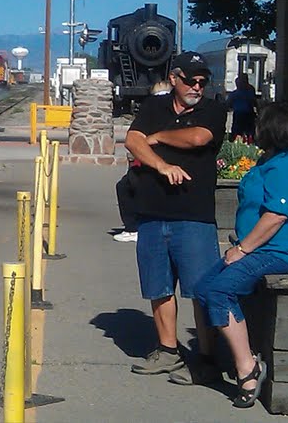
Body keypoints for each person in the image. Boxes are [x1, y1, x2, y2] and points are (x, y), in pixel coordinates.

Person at [192, 102, 288, 407]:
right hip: (263, 248)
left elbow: (276, 215)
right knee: (202, 289)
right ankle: (215, 358)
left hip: (286, 252)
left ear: (272, 128)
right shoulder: (273, 160)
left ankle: (247, 368)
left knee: (219, 291)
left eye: (260, 123)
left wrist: (242, 249)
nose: (255, 128)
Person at [122, 51, 228, 378]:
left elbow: (198, 137)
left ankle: (208, 357)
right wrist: (162, 164)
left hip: (193, 214)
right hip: (153, 212)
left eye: (202, 81)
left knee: (200, 289)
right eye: (190, 80)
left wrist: (158, 137)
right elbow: (132, 140)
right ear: (174, 79)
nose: (197, 86)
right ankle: (168, 350)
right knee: (158, 286)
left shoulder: (212, 109)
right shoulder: (154, 106)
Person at [114, 80, 173, 243]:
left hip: (153, 161)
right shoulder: (163, 111)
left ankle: (133, 228)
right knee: (128, 186)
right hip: (150, 160)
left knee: (127, 187)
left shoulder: (156, 112)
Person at [227, 74, 258, 142]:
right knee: (249, 131)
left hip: (239, 114)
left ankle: (236, 141)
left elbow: (228, 104)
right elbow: (254, 102)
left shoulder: (234, 94)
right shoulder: (250, 90)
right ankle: (249, 141)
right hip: (248, 113)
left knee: (237, 131)